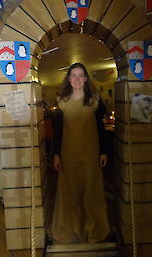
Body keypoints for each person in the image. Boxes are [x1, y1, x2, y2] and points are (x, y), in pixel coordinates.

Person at [51, 62, 110, 244]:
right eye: (73, 75)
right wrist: (56, 155)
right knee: (71, 194)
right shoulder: (61, 101)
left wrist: (103, 151)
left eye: (80, 75)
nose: (77, 79)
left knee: (91, 193)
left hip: (91, 155)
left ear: (85, 79)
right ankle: (72, 229)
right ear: (69, 79)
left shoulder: (95, 101)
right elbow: (57, 131)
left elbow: (101, 128)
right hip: (68, 155)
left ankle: (93, 229)